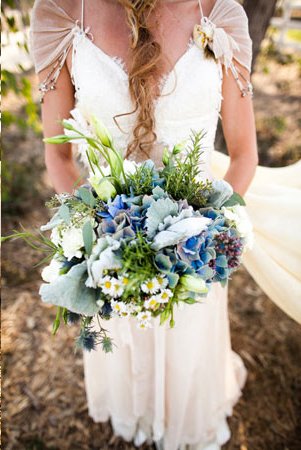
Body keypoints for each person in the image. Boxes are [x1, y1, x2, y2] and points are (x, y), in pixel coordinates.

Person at [29, 1, 301, 449]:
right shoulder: (64, 12)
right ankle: (131, 412)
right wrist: (101, 232)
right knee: (120, 335)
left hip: (194, 242)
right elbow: (57, 155)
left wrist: (206, 232)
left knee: (188, 341)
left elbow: (244, 155)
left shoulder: (220, 15)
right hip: (107, 242)